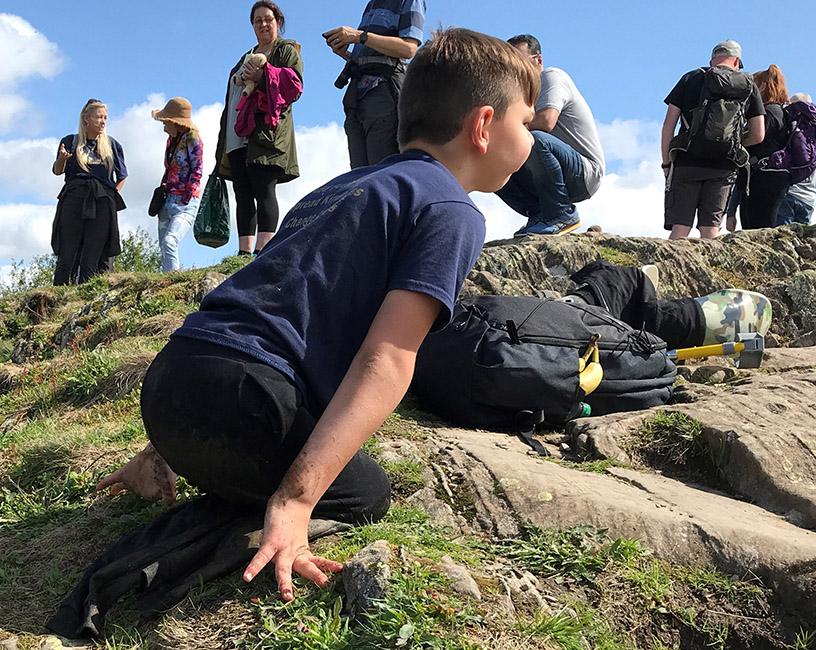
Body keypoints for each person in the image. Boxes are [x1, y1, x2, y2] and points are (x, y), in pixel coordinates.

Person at [93, 28, 539, 604]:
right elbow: (389, 358)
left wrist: (161, 445)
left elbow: (257, 305)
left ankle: (166, 465)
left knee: (278, 426)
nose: (531, 135)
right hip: (245, 403)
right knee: (364, 491)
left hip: (169, 382)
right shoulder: (452, 209)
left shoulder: (344, 188)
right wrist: (297, 502)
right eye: (524, 122)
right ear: (483, 126)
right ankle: (240, 535)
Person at [215, 0, 303, 257]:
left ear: (278, 22)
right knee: (242, 191)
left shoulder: (286, 50)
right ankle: (243, 253)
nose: (263, 24)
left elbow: (294, 86)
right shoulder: (244, 56)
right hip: (236, 134)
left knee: (264, 188)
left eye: (268, 19)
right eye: (258, 20)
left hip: (266, 132)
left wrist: (263, 75)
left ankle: (263, 250)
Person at [495, 34, 605, 237]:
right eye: (510, 65)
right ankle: (539, 213)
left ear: (538, 60)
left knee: (532, 138)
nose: (516, 70)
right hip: (548, 170)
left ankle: (560, 214)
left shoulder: (551, 77)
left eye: (521, 62)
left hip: (584, 172)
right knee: (489, 156)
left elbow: (546, 122)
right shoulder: (518, 95)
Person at [661, 40, 766, 240]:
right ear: (737, 61)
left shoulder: (691, 78)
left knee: (680, 228)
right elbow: (758, 134)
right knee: (711, 231)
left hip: (687, 161)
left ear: (712, 61)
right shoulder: (747, 85)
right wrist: (730, 142)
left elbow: (669, 124)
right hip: (724, 165)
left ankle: (669, 269)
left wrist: (666, 163)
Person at [562, 260, 772, 350]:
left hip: (558, 332)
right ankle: (695, 322)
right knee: (627, 280)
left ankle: (638, 304)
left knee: (620, 285)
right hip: (573, 327)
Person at [324, 0, 426, 169]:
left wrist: (359, 36)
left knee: (380, 171)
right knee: (359, 175)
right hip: (356, 98)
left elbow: (408, 49)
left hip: (384, 94)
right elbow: (373, 56)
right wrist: (347, 54)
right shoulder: (372, 4)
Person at [51, 99, 127, 285]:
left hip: (102, 199)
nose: (103, 121)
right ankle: (60, 292)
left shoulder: (112, 145)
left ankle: (87, 292)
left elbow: (122, 176)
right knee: (68, 251)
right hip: (74, 196)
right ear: (86, 119)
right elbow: (57, 170)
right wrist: (62, 159)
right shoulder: (70, 141)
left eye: (105, 118)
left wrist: (111, 196)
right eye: (98, 117)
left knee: (94, 252)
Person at [735, 65, 792, 230]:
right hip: (772, 177)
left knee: (757, 227)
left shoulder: (768, 113)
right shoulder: (779, 112)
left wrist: (735, 144)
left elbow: (756, 138)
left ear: (762, 86)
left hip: (763, 177)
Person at [151, 97, 204, 272]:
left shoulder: (192, 138)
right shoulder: (171, 140)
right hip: (167, 199)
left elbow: (197, 169)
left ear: (176, 122)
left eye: (166, 121)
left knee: (169, 241)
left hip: (185, 201)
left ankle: (171, 281)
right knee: (163, 247)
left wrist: (186, 197)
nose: (163, 126)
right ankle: (167, 278)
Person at [776, 93, 816, 225]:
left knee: (780, 239)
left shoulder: (792, 126)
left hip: (789, 193)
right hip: (809, 198)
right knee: (800, 241)